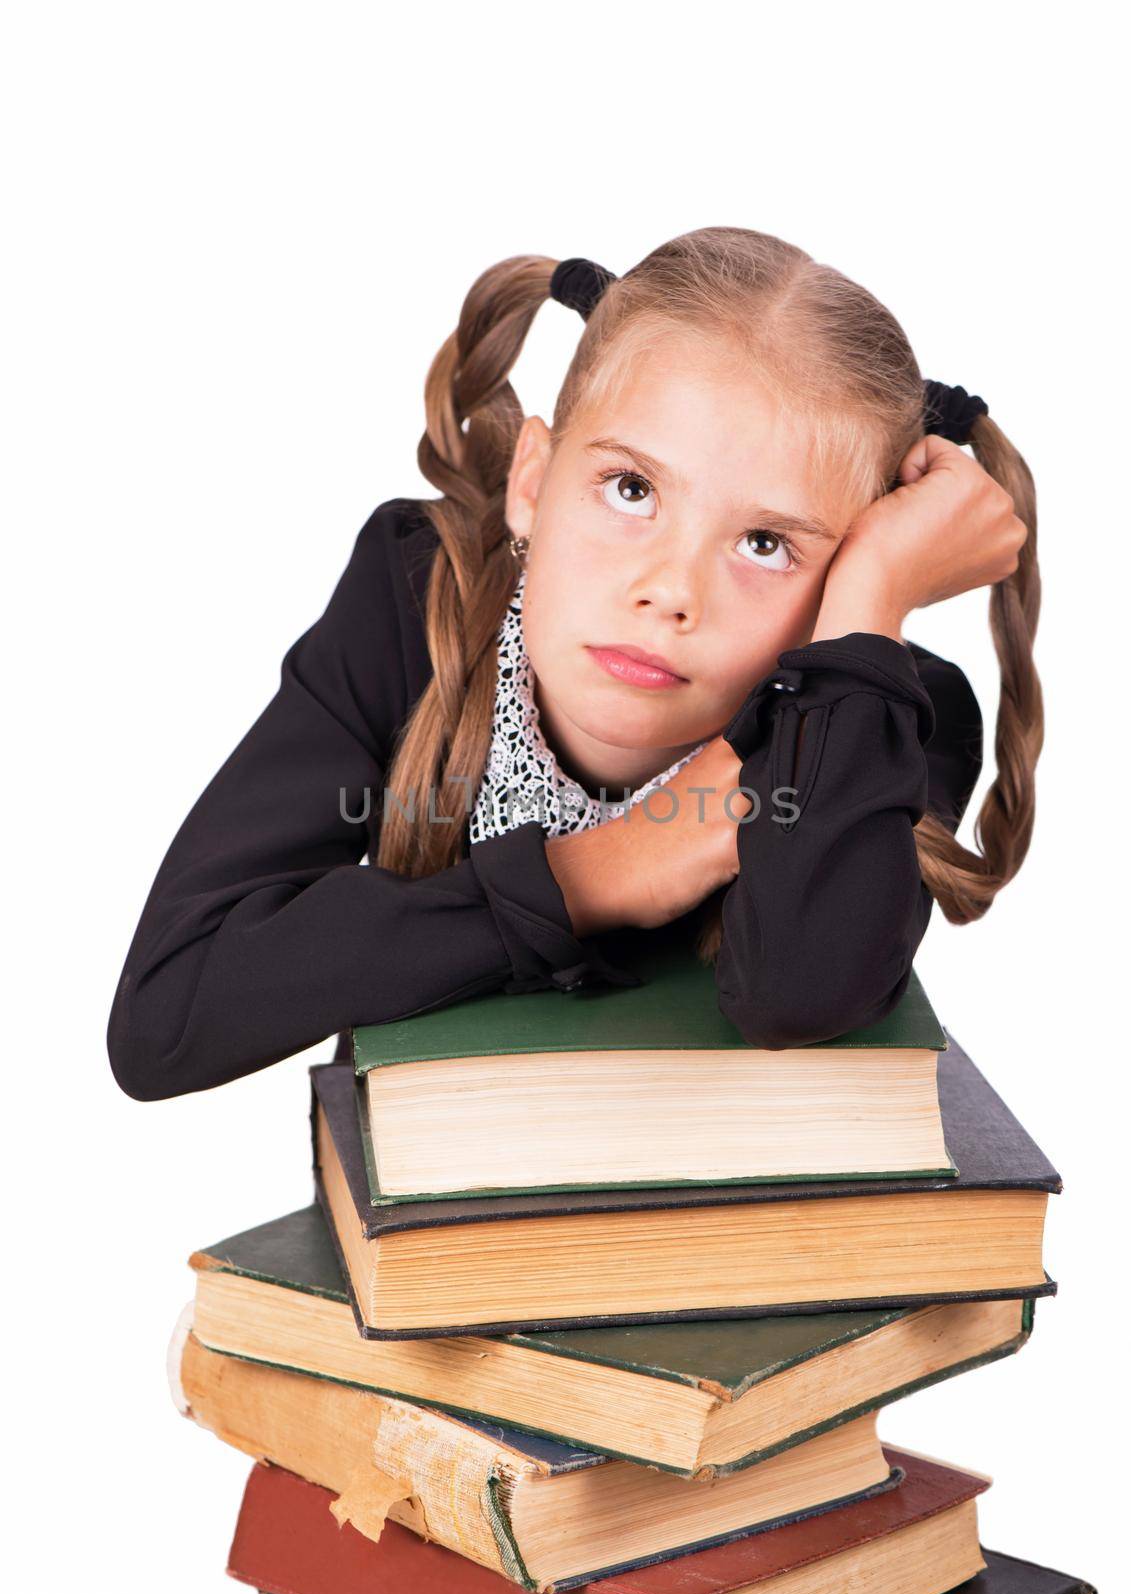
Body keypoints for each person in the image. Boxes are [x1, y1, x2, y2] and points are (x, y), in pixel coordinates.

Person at [106, 227, 1040, 1103]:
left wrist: (869, 609)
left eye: (764, 543)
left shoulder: (881, 718)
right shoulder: (418, 597)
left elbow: (800, 993)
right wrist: (597, 875)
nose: (670, 591)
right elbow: (169, 1014)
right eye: (630, 489)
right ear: (532, 482)